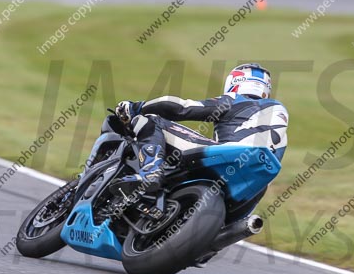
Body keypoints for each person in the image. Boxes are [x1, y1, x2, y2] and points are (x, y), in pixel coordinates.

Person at [114, 63, 289, 193]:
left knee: (151, 120)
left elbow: (182, 108)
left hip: (228, 155)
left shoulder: (236, 99)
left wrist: (137, 107)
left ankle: (151, 171)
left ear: (236, 82)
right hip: (254, 184)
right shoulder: (280, 114)